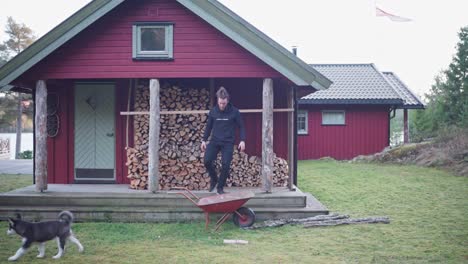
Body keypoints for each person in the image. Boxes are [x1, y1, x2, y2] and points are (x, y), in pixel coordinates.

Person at [201, 87, 246, 194]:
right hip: (215, 141)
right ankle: (214, 179)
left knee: (226, 165)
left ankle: (220, 188)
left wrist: (242, 140)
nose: (222, 105)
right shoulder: (213, 112)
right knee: (207, 161)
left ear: (227, 100)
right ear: (218, 100)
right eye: (220, 103)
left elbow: (241, 127)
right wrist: (203, 140)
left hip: (227, 142)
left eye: (224, 103)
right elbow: (208, 127)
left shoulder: (234, 112)